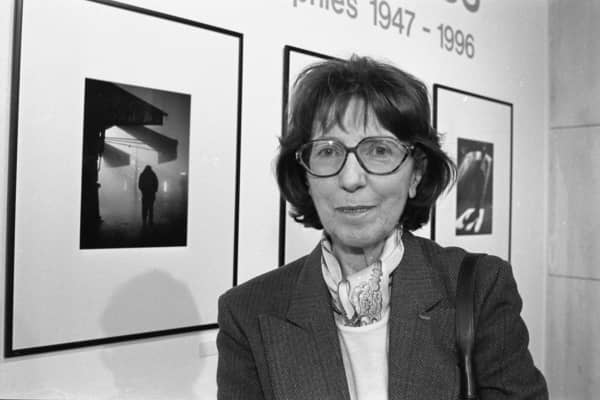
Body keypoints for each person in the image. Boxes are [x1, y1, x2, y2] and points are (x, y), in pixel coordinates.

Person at [216, 56, 548, 399]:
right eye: (328, 151)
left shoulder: (480, 288)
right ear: (305, 176)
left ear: (416, 174)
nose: (350, 179)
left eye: (378, 150)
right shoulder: (247, 313)